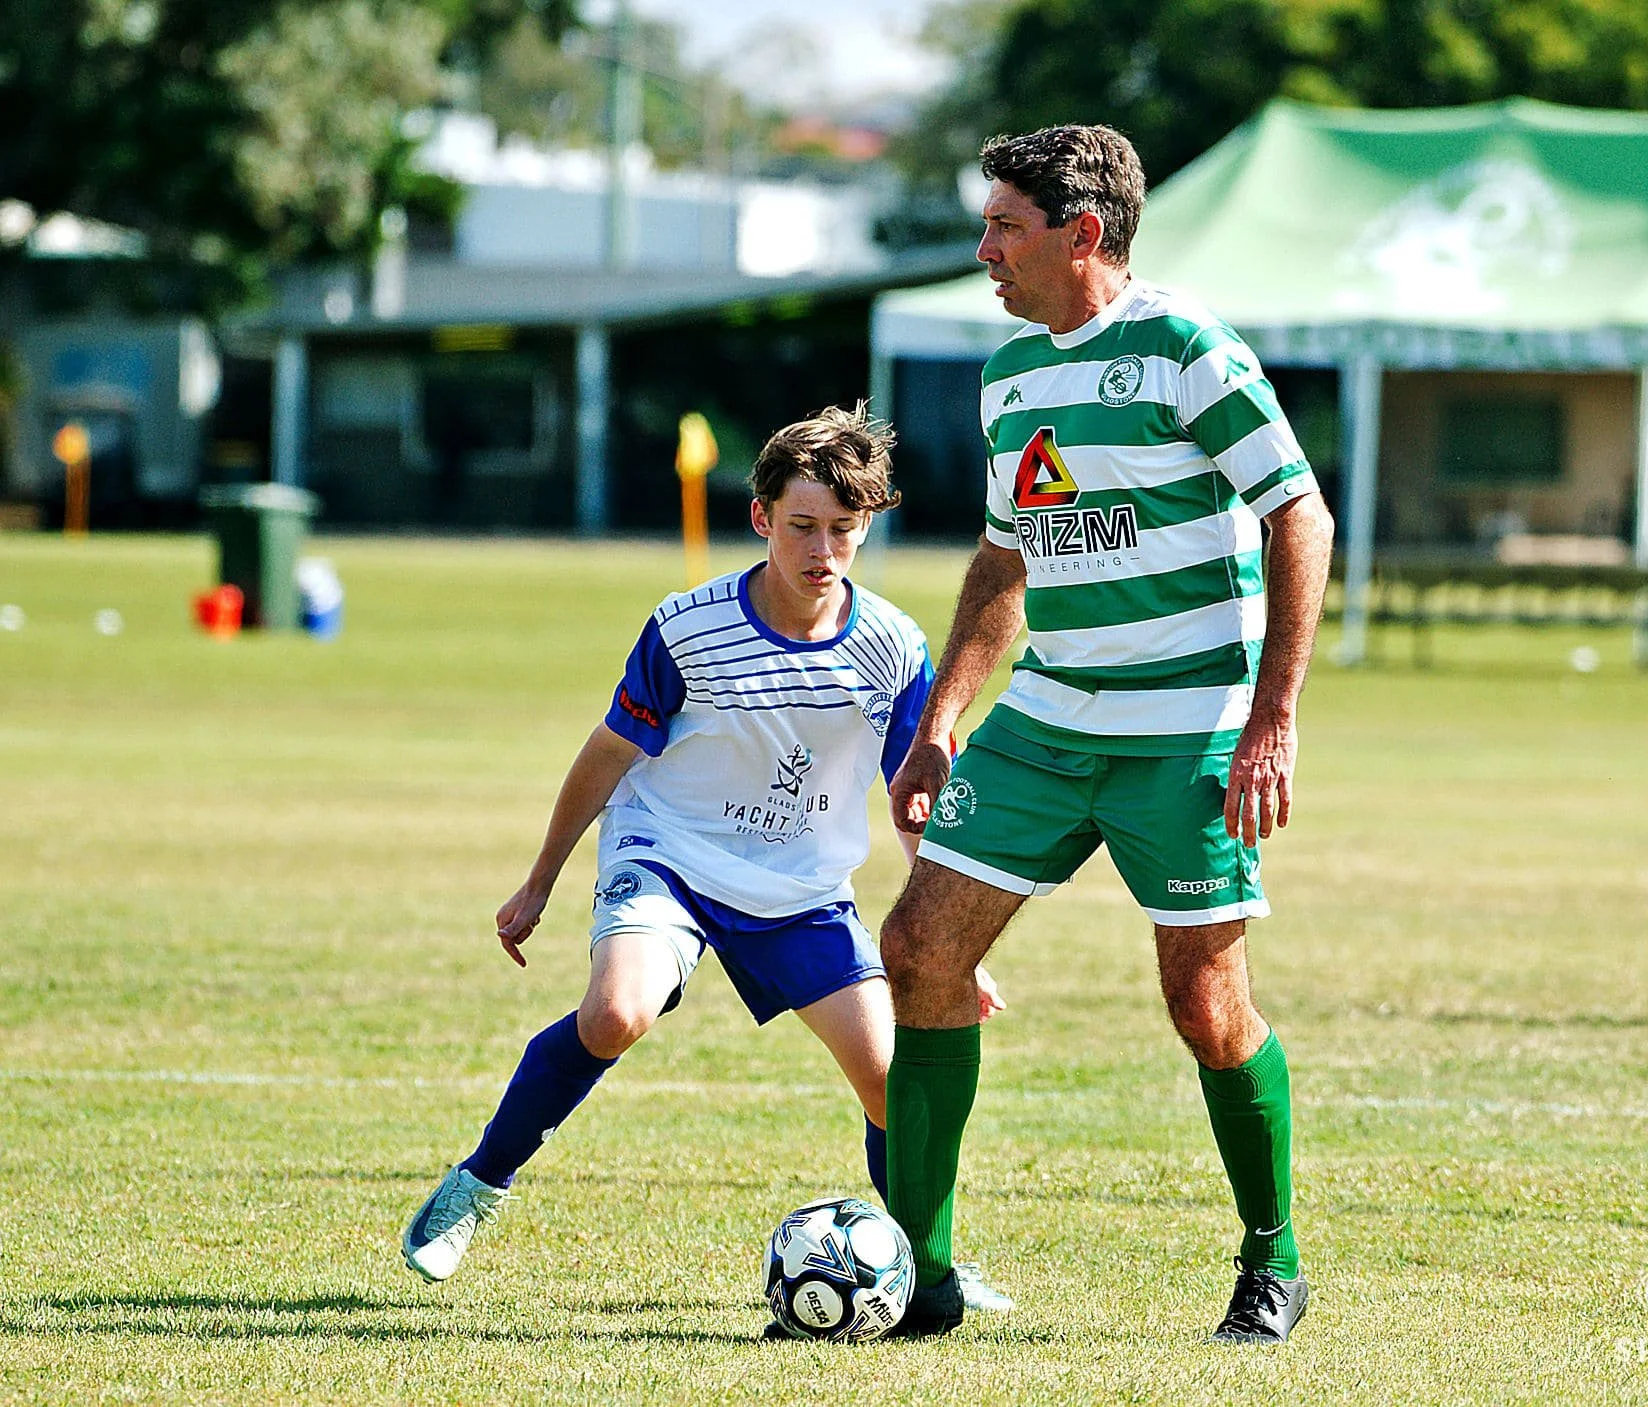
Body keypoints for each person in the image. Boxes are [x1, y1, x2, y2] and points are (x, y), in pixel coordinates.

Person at [400, 405, 1010, 1318]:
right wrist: (541, 880)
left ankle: (931, 1267)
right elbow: (608, 753)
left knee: (892, 1081)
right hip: (672, 857)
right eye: (802, 525)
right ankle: (477, 1184)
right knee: (614, 1014)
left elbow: (910, 798)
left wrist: (953, 939)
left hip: (801, 887)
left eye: (844, 530)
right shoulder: (687, 628)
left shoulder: (892, 645)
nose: (822, 549)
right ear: (761, 517)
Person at [879, 125, 1335, 1344]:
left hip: (1184, 731)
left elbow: (1299, 515)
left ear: (1082, 234)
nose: (984, 252)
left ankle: (1271, 1258)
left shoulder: (1187, 349)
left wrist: (1269, 723)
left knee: (1203, 1003)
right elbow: (1004, 556)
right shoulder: (1011, 375)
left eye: (1003, 229)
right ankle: (918, 1284)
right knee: (919, 951)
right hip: (1046, 720)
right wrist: (942, 720)